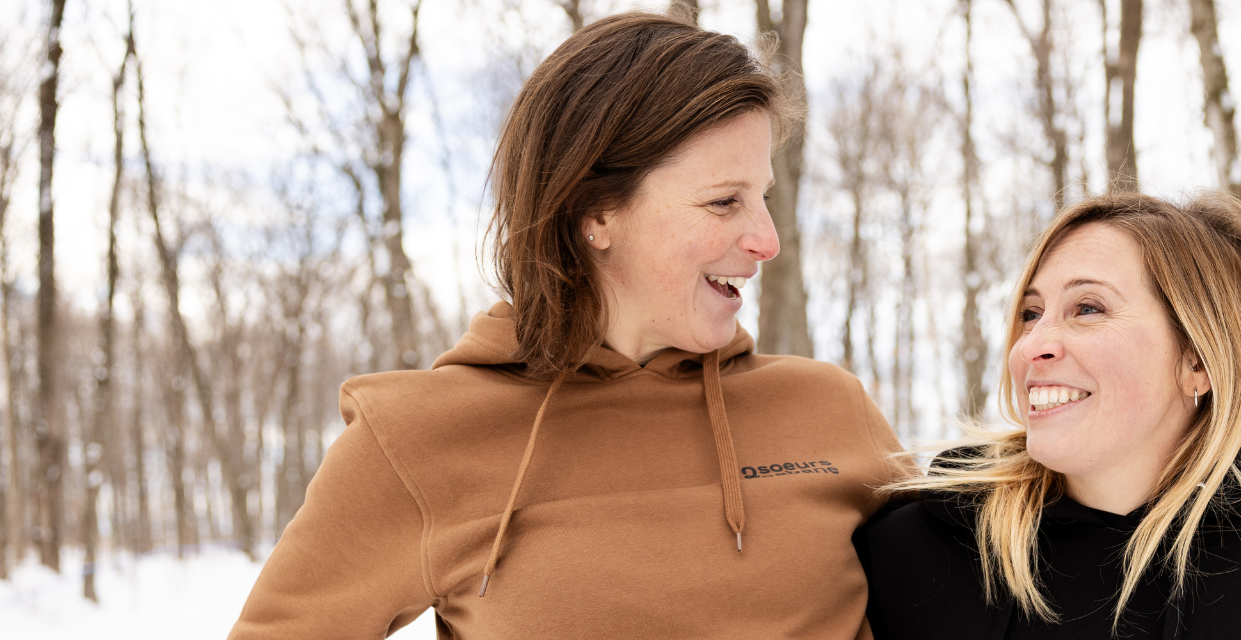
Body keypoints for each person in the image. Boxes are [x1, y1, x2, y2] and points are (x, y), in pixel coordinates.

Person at [230, 13, 905, 638]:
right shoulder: (414, 440)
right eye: (724, 201)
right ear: (595, 212)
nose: (766, 239)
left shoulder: (829, 410)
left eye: (764, 199)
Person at [858, 192, 1241, 639]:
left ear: (1199, 361)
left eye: (1088, 308)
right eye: (1031, 314)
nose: (1031, 346)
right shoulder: (907, 559)